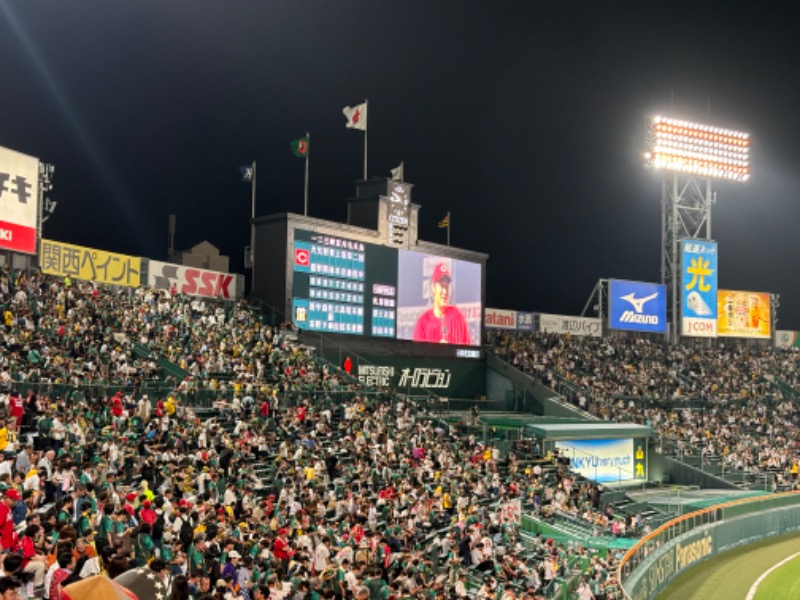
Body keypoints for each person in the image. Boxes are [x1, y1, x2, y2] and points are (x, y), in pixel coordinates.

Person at [412, 263, 471, 345]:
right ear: (433, 287)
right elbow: (416, 354)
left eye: (447, 287)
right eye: (441, 286)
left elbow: (467, 351)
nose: (445, 292)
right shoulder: (422, 323)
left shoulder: (457, 317)